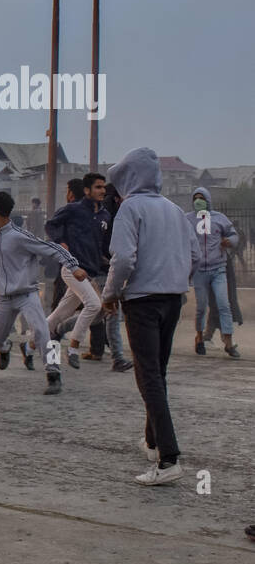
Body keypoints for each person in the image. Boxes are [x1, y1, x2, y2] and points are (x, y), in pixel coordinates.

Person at [101, 148, 200, 485]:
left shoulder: (130, 208)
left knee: (148, 376)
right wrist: (177, 280)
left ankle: (168, 459)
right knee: (157, 372)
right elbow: (195, 256)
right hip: (173, 299)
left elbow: (124, 260)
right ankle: (152, 441)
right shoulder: (174, 210)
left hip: (143, 302)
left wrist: (110, 295)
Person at [0, 191, 80, 396]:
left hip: (27, 294)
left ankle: (54, 374)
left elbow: (51, 248)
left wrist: (73, 265)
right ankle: (4, 347)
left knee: (43, 331)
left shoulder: (20, 236)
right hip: (4, 298)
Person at [44, 177, 107, 369]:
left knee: (60, 314)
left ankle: (31, 346)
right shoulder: (72, 211)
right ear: (87, 190)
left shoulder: (103, 215)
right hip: (71, 269)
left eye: (104, 187)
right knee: (91, 305)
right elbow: (51, 226)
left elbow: (100, 243)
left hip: (87, 272)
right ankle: (64, 352)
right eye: (99, 187)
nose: (103, 191)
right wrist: (61, 243)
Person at [85, 177, 133, 371]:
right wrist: (103, 257)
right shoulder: (106, 214)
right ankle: (118, 357)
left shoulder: (114, 212)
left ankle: (57, 328)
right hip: (102, 269)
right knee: (112, 312)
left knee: (98, 312)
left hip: (104, 267)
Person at [189, 185, 240, 359]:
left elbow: (234, 235)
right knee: (201, 307)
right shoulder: (188, 219)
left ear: (208, 200)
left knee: (224, 305)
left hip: (218, 269)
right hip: (198, 272)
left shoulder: (220, 218)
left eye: (201, 198)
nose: (198, 201)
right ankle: (199, 337)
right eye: (195, 198)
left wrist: (229, 241)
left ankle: (228, 341)